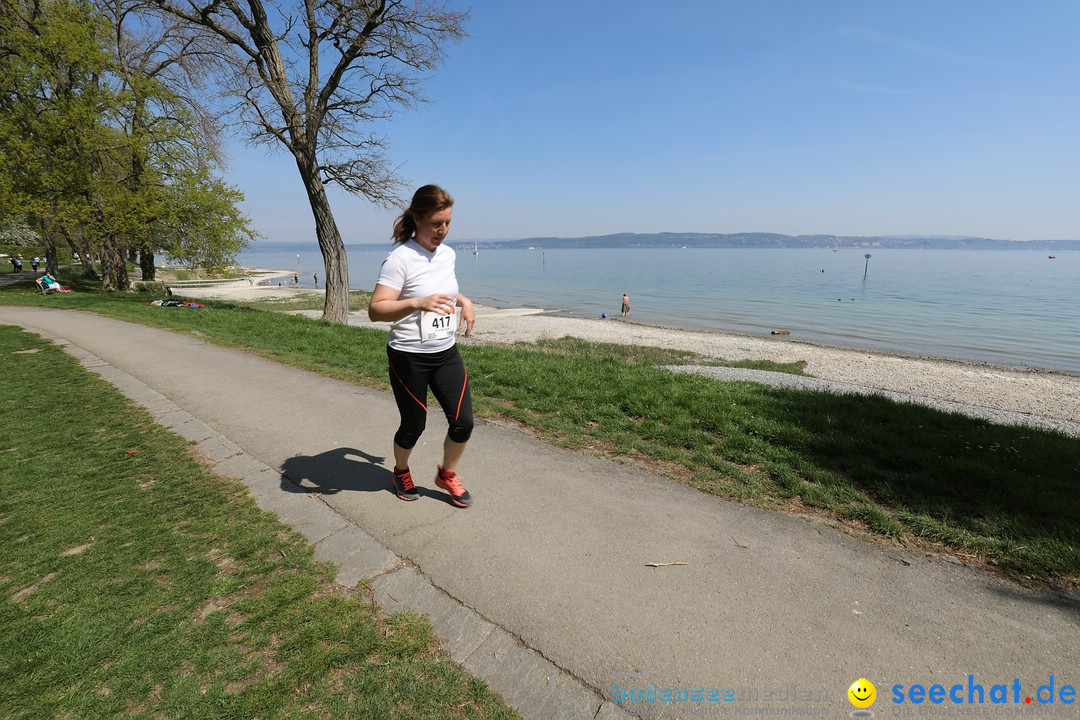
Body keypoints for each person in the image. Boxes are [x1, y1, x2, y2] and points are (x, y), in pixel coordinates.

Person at [368, 184, 476, 507]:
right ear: (417, 219)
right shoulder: (400, 259)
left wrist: (464, 300)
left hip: (445, 353)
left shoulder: (448, 254)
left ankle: (447, 474)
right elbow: (376, 309)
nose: (443, 230)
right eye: (436, 224)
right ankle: (400, 471)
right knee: (414, 424)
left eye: (448, 223)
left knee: (463, 422)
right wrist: (417, 303)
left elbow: (442, 287)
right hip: (408, 357)